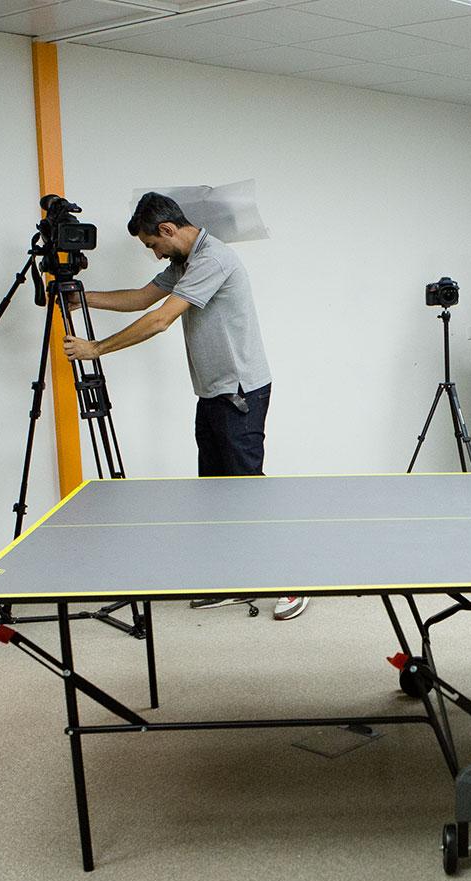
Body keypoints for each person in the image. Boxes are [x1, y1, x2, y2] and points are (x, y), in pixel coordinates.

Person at [63, 192, 306, 620]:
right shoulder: (184, 263)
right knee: (215, 493)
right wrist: (82, 298)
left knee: (247, 488)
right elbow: (142, 299)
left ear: (168, 230)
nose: (154, 254)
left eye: (152, 245)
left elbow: (159, 320)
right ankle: (233, 582)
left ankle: (294, 580)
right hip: (213, 392)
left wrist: (96, 348)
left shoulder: (213, 259)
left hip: (240, 393)